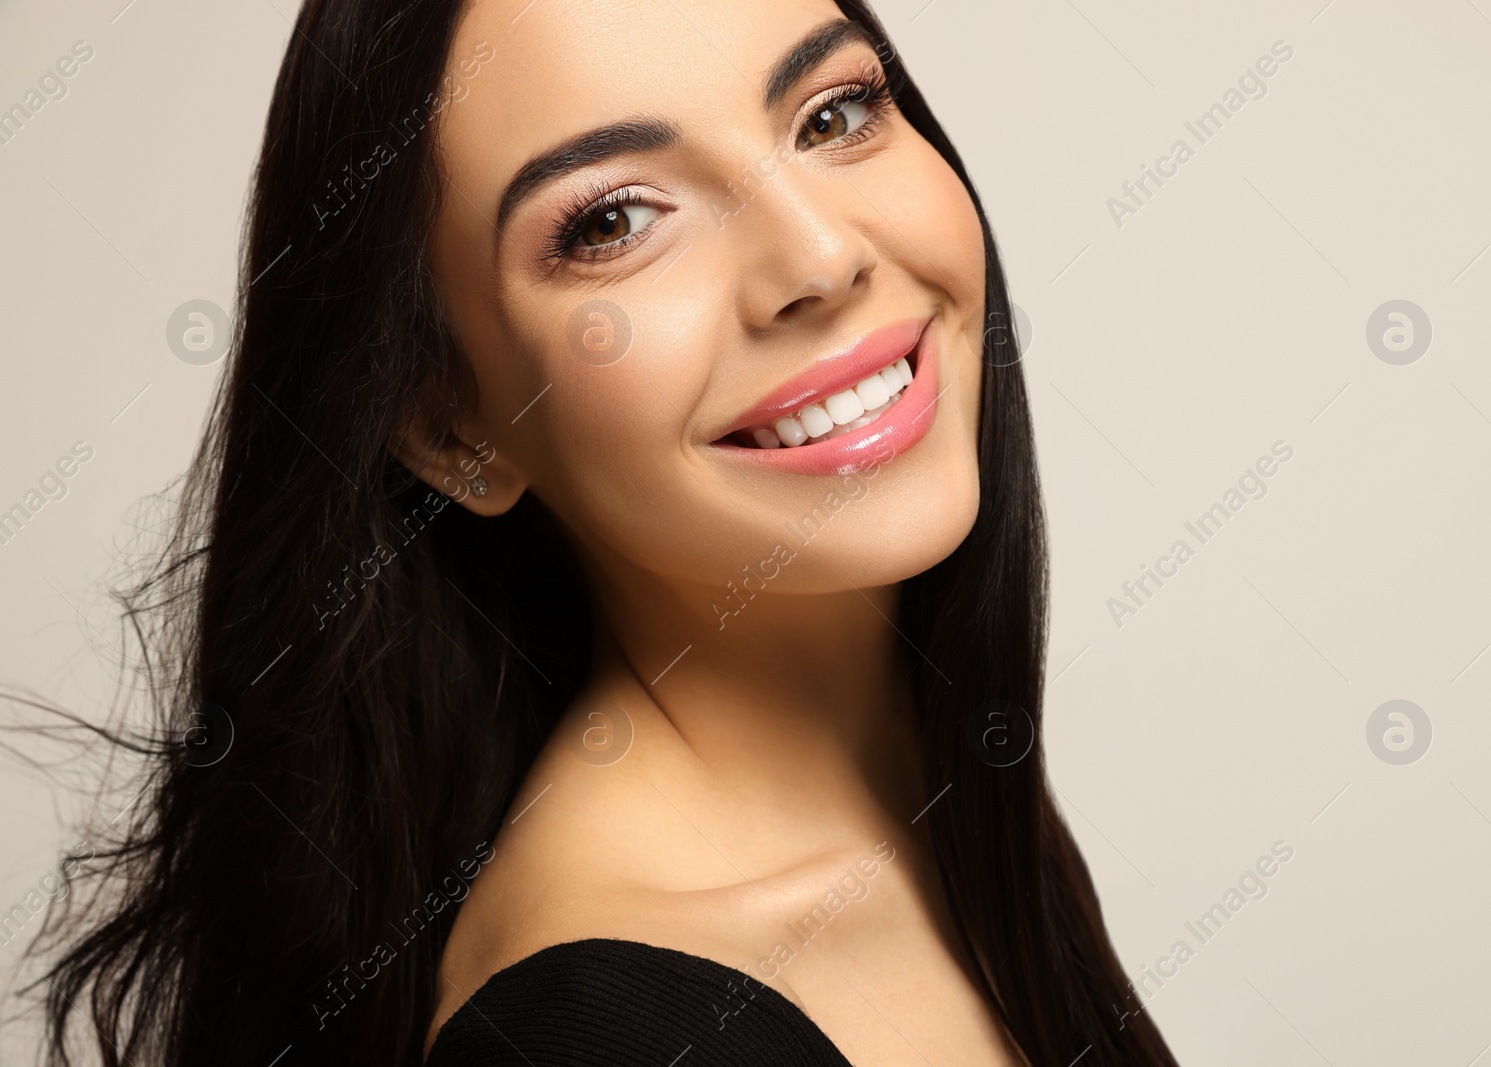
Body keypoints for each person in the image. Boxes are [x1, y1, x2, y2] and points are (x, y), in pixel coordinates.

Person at [25, 1, 1180, 1064]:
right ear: (448, 431)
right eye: (613, 220)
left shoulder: (941, 820)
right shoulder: (610, 1037)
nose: (819, 260)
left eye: (833, 113)